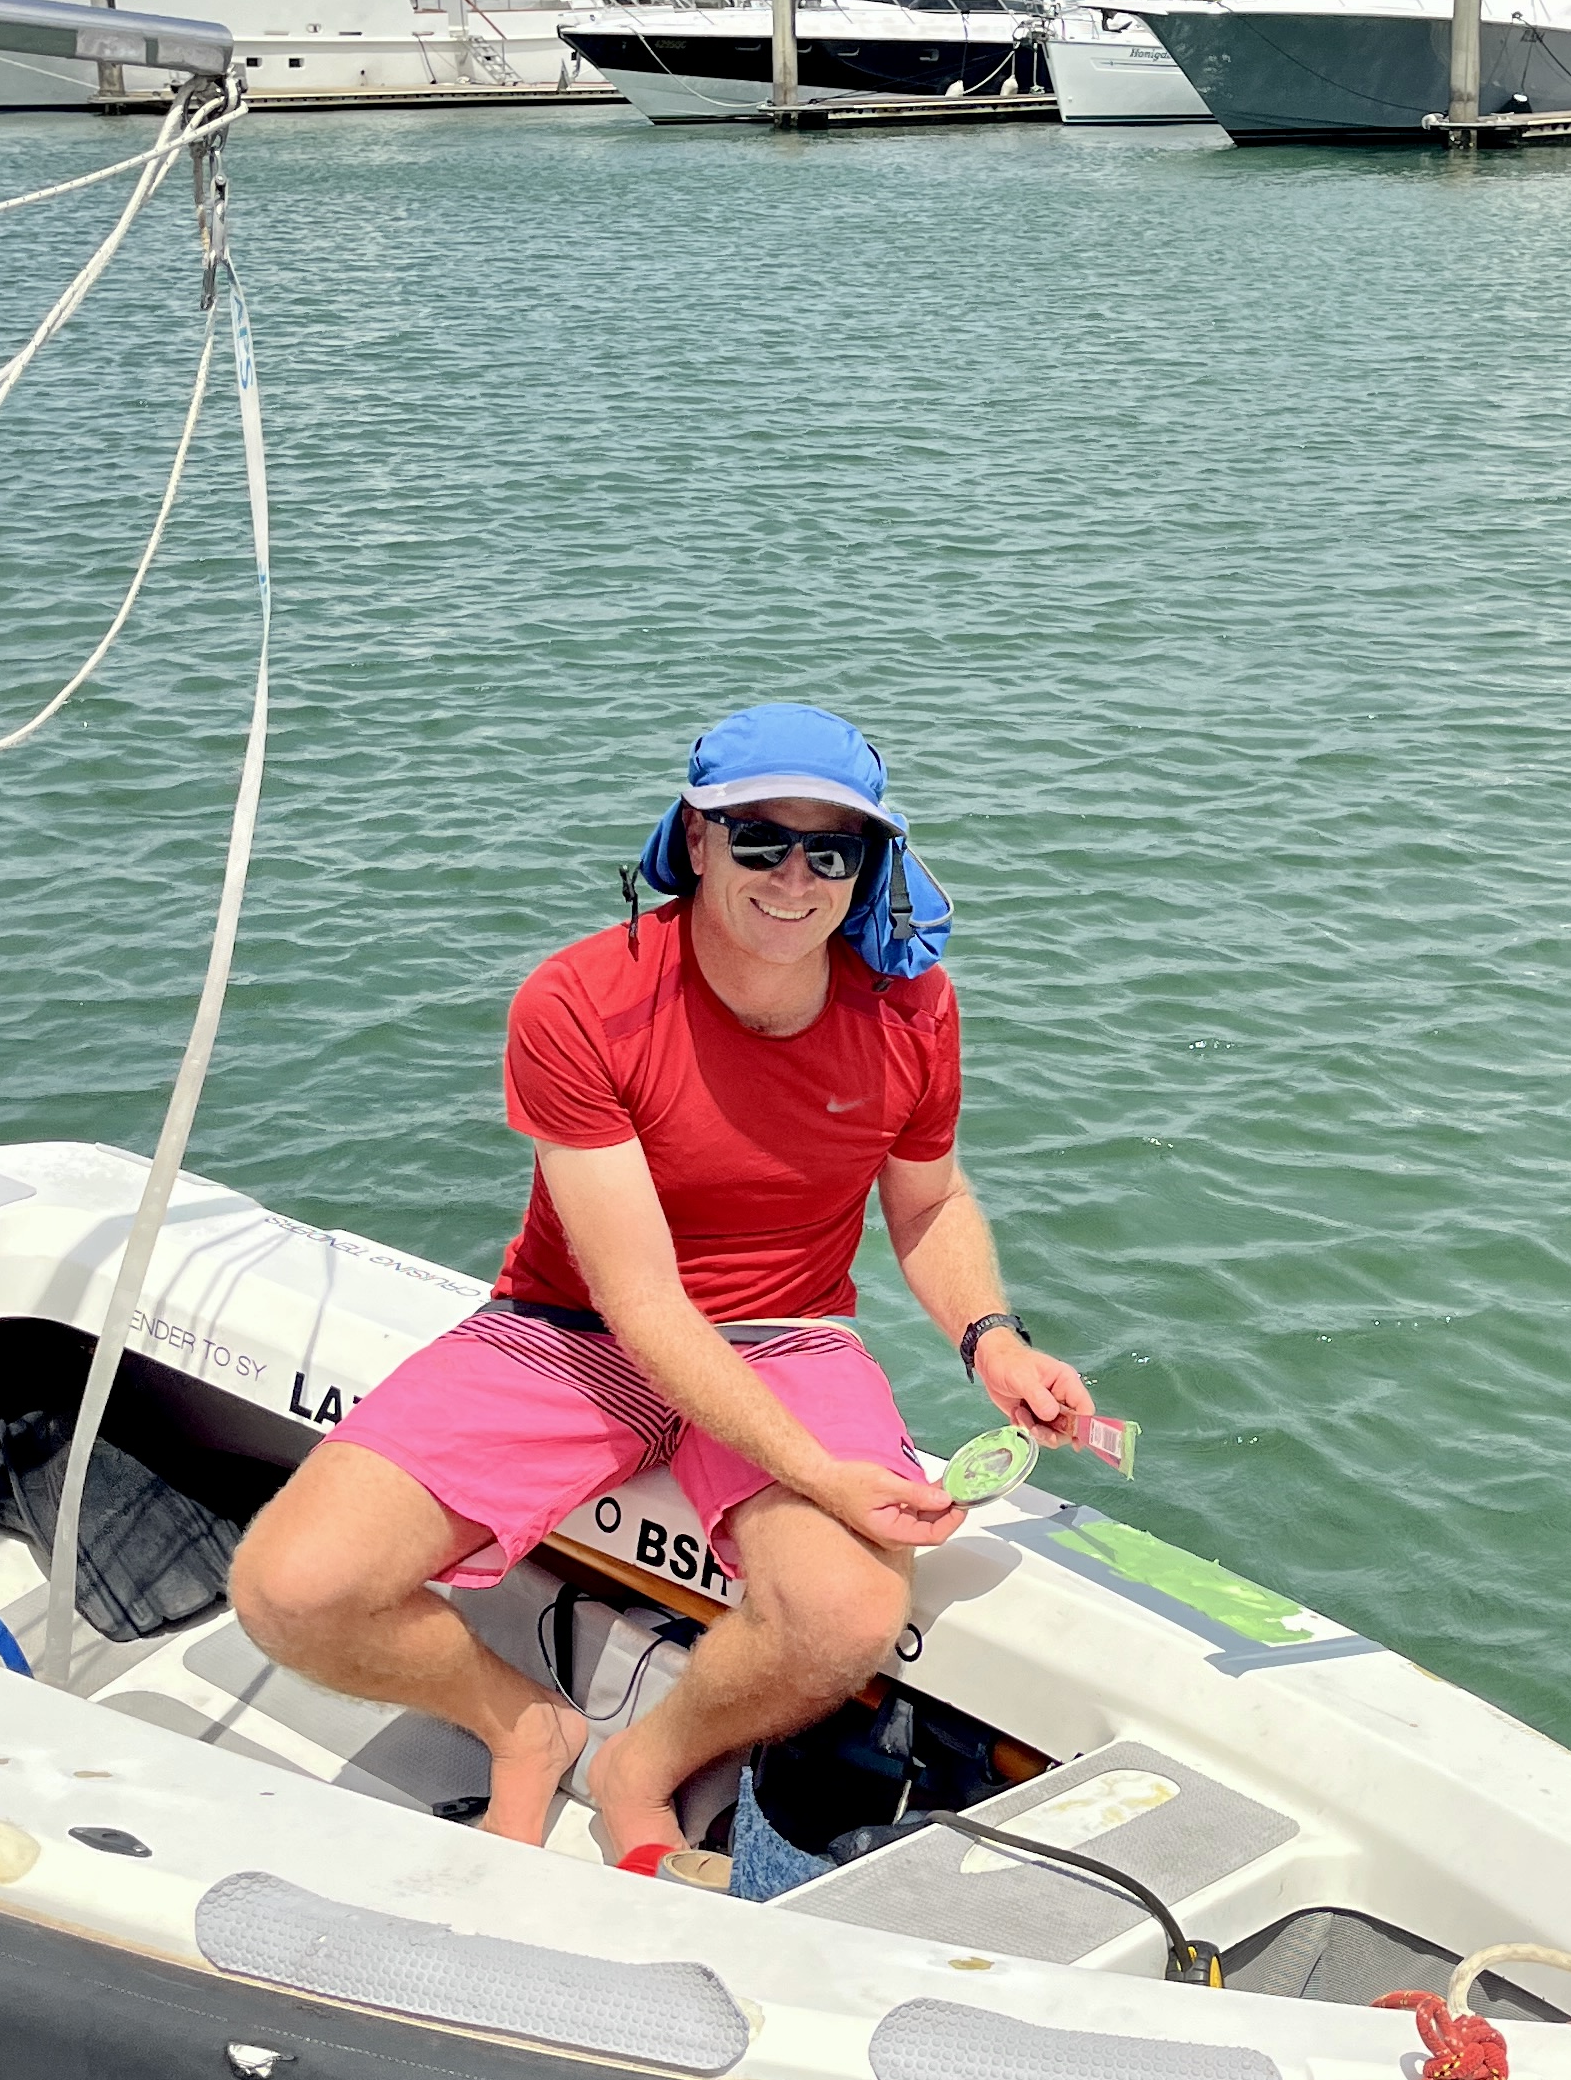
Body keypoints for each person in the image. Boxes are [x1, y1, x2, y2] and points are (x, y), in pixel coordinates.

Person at [230, 703, 1097, 1868]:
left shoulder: (912, 1005)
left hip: (787, 1335)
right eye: (759, 840)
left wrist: (994, 1341)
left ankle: (644, 1761)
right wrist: (823, 1475)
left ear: (871, 862)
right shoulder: (579, 1003)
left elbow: (929, 1202)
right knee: (294, 1587)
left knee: (845, 1614)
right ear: (696, 840)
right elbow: (640, 1305)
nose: (796, 877)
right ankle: (523, 1725)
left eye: (832, 848)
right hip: (569, 1329)